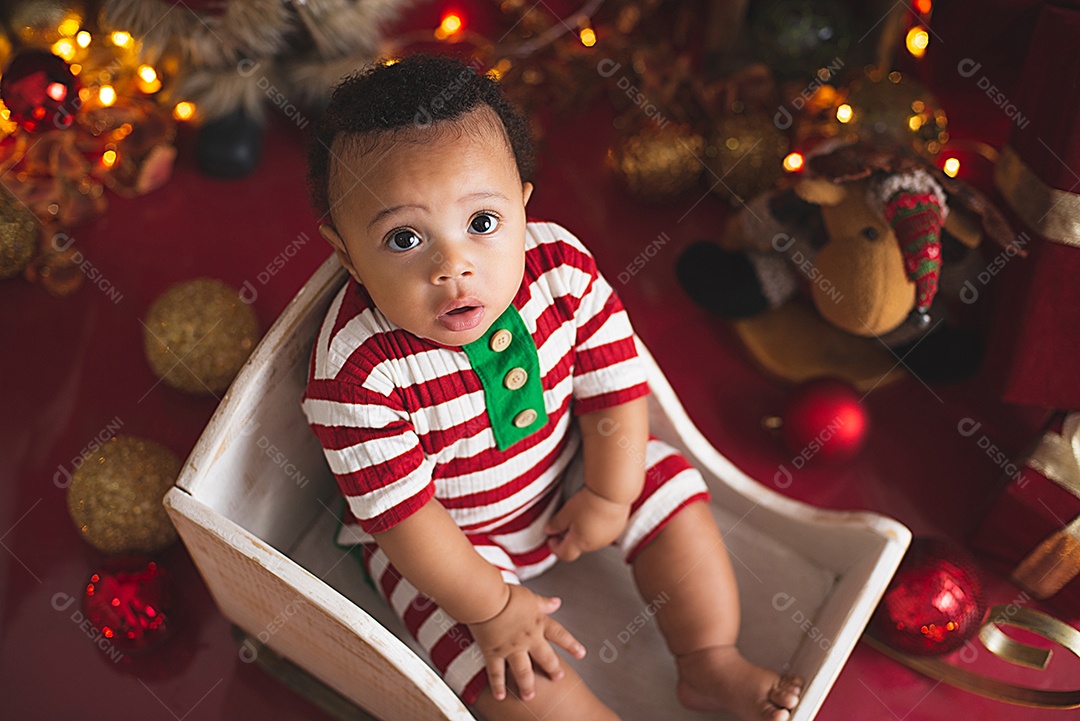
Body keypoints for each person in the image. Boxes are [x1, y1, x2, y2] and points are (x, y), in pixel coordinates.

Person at [301, 53, 803, 721]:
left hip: (565, 470)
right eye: (403, 238)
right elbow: (405, 520)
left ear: (523, 206)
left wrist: (610, 489)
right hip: (451, 545)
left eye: (482, 223)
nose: (454, 266)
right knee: (507, 672)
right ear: (346, 254)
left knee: (668, 486)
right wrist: (495, 604)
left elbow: (616, 389)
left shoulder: (559, 268)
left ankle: (709, 661)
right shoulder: (356, 372)